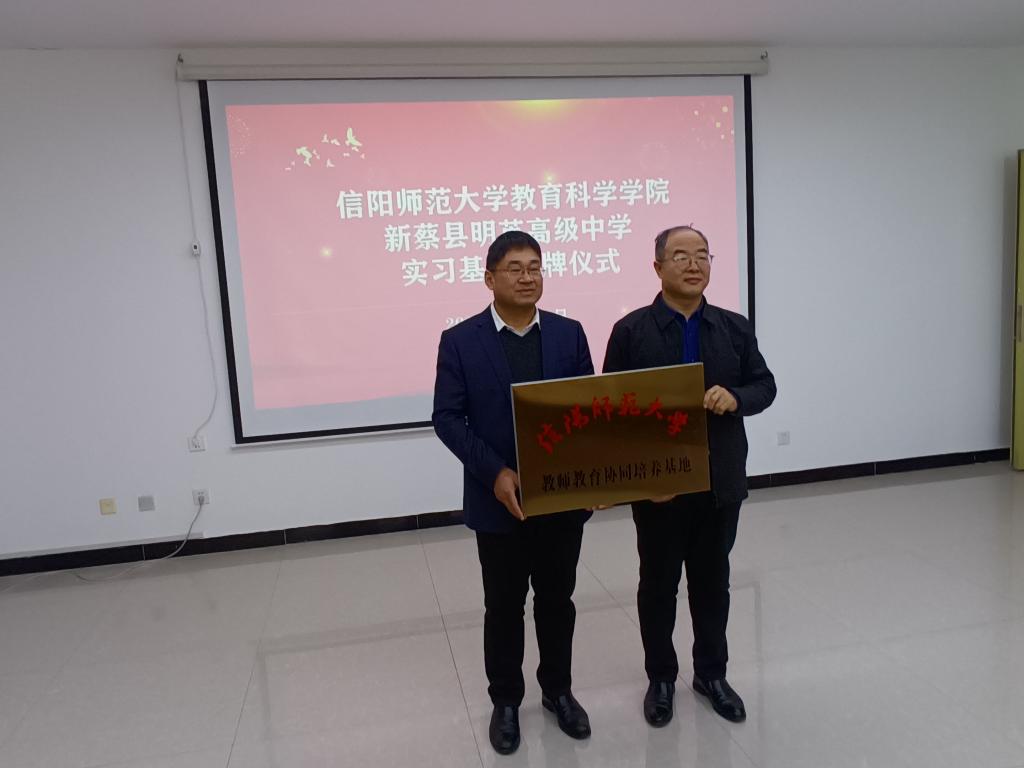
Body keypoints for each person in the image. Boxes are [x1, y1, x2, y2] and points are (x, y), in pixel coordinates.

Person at [603, 225, 776, 727]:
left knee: (713, 582)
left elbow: (765, 385)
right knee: (658, 585)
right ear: (657, 267)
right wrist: (635, 481)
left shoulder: (734, 328)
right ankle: (660, 677)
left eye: (702, 255)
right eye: (681, 255)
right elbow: (609, 409)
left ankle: (711, 674)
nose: (694, 264)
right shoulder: (631, 331)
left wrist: (737, 397)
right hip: (660, 485)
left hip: (720, 480)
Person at [432, 231, 594, 755]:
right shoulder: (461, 340)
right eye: (516, 268)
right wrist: (495, 472)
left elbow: (587, 411)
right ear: (490, 278)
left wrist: (595, 477)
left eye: (535, 267)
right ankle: (505, 701)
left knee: (557, 601)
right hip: (497, 501)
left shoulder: (569, 334)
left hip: (561, 499)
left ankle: (558, 691)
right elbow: (447, 418)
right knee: (503, 606)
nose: (528, 277)